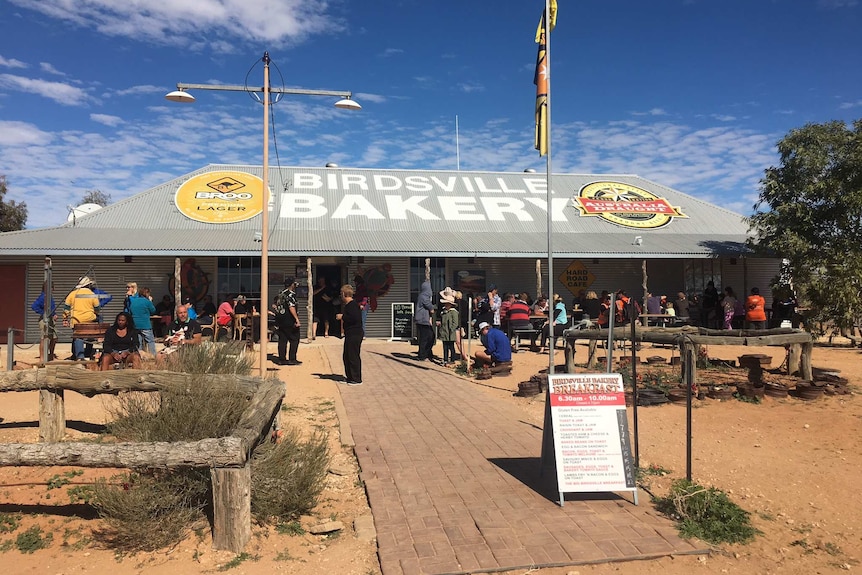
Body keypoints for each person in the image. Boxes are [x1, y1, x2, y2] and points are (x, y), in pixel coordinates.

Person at [63, 276, 101, 360]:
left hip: (76, 320)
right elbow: (97, 308)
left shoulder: (72, 294)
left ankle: (79, 356)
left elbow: (66, 308)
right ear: (88, 285)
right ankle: (88, 352)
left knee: (77, 337)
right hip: (90, 320)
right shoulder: (92, 294)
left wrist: (65, 318)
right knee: (90, 335)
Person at [335, 284, 363, 385]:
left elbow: (355, 318)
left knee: (353, 356)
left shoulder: (353, 305)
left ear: (344, 294)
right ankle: (350, 377)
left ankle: (356, 379)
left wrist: (342, 316)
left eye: (341, 294)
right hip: (350, 333)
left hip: (355, 334)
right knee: (346, 355)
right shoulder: (349, 305)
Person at [273, 277, 302, 365]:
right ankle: (292, 359)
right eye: (294, 283)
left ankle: (282, 359)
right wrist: (297, 319)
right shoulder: (290, 295)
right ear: (292, 285)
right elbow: (291, 307)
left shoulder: (280, 294)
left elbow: (274, 305)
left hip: (281, 321)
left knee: (282, 340)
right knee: (294, 339)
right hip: (290, 320)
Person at [126, 282, 157, 357]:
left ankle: (139, 356)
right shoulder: (147, 302)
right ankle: (153, 355)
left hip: (135, 325)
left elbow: (130, 311)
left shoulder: (134, 301)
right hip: (145, 325)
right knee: (150, 341)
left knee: (138, 342)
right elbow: (153, 311)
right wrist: (150, 301)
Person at [31, 283, 58, 362]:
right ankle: (42, 357)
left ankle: (51, 354)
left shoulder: (50, 297)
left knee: (54, 338)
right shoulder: (43, 297)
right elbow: (34, 306)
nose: (54, 289)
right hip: (44, 320)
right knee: (44, 338)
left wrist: (54, 314)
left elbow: (51, 308)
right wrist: (44, 313)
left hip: (51, 320)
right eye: (52, 287)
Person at [414, 280, 436, 361]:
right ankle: (422, 355)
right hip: (422, 320)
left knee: (430, 337)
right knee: (426, 338)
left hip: (422, 320)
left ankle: (427, 353)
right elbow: (430, 307)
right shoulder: (424, 297)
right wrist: (433, 308)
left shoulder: (422, 296)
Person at [437, 292, 460, 366]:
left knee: (451, 347)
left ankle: (452, 359)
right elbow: (442, 321)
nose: (446, 305)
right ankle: (445, 359)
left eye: (447, 304)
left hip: (450, 333)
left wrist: (451, 329)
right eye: (445, 303)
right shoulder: (443, 312)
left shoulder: (454, 312)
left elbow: (455, 323)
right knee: (445, 347)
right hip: (444, 332)